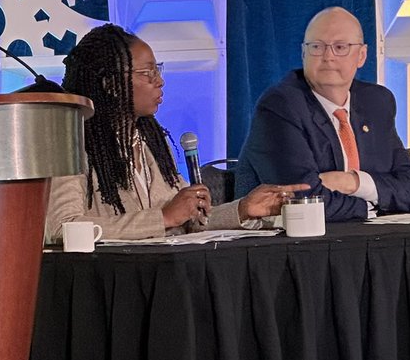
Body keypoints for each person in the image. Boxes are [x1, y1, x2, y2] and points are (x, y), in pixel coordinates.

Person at [45, 24, 306, 240]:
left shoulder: (152, 143)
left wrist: (244, 209)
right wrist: (162, 218)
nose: (160, 81)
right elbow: (61, 227)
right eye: (148, 73)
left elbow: (188, 220)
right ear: (112, 84)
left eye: (158, 69)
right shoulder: (72, 146)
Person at [235, 7, 410, 221]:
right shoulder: (280, 106)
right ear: (303, 53)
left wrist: (354, 183)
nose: (328, 56)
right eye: (316, 47)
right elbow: (302, 200)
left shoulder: (377, 102)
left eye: (340, 47)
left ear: (361, 56)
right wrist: (373, 206)